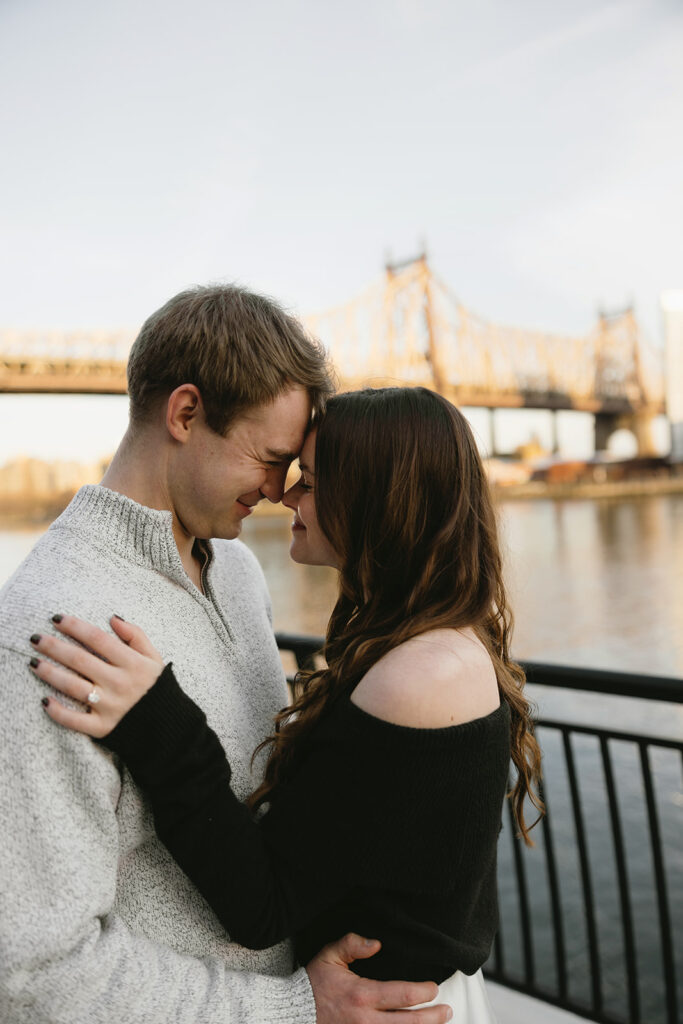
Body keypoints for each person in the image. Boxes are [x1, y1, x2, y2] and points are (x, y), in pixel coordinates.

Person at [0, 290, 451, 1024]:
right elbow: (30, 969)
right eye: (271, 460)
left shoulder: (236, 571)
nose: (280, 492)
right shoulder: (47, 631)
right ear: (184, 414)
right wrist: (291, 1009)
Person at [29, 387, 544, 1022]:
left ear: (377, 500)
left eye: (313, 480)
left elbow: (262, 905)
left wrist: (157, 718)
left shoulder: (420, 677)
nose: (288, 494)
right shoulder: (438, 637)